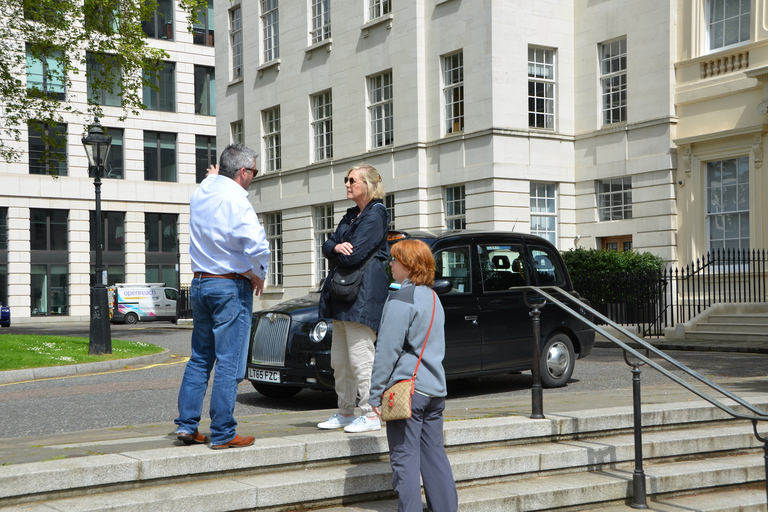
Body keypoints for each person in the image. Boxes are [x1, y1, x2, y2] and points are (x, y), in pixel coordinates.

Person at [174, 143, 270, 450]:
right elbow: (258, 246)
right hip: (229, 287)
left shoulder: (202, 191)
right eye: (254, 171)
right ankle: (224, 432)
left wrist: (215, 175)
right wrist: (258, 271)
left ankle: (187, 426)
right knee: (229, 362)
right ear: (242, 172)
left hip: (201, 284)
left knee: (200, 359)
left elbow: (212, 179)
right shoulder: (237, 201)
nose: (254, 177)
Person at [370, 239, 458, 512]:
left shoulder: (400, 298)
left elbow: (387, 349)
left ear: (408, 265)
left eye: (395, 260)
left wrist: (375, 393)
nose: (391, 264)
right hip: (434, 389)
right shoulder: (433, 297)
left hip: (409, 390)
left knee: (404, 457)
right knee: (434, 455)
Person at [317, 163, 390, 433]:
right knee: (340, 360)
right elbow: (328, 244)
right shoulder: (350, 216)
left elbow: (354, 255)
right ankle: (346, 411)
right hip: (342, 295)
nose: (347, 184)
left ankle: (371, 414)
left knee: (361, 358)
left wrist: (336, 249)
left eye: (352, 180)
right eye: (346, 179)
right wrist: (335, 245)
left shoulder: (375, 215)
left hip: (362, 294)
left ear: (368, 185)